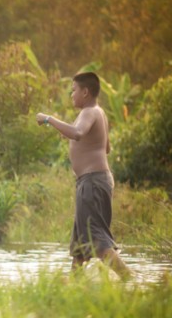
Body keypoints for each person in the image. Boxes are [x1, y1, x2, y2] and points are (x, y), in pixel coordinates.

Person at [36, 71, 131, 280]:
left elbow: (78, 133)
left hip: (92, 183)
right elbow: (105, 147)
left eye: (74, 90)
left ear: (85, 92)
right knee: (80, 244)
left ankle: (130, 280)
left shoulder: (89, 112)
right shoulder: (99, 113)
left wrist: (48, 119)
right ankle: (74, 288)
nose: (72, 95)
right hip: (93, 182)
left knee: (97, 240)